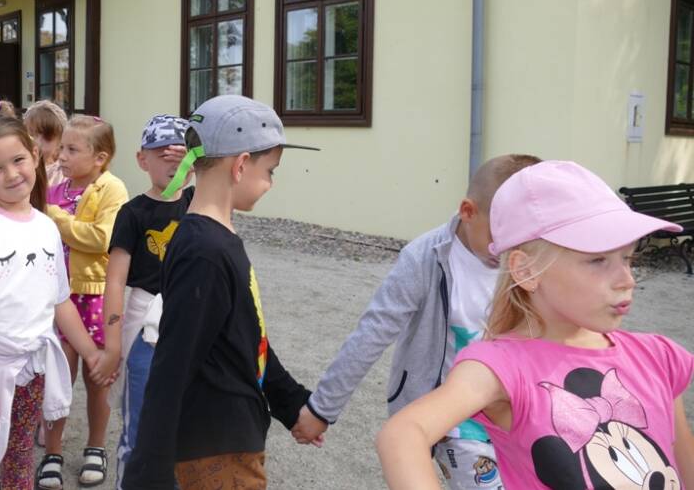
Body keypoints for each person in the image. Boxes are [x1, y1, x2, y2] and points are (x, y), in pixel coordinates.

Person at [376, 160, 694, 488]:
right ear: (526, 271)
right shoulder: (501, 366)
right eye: (598, 260)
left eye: (627, 258)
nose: (626, 279)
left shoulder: (659, 356)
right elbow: (404, 434)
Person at [292, 154, 541, 488]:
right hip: (458, 422)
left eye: (525, 237)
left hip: (518, 412)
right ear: (468, 212)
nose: (511, 248)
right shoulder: (424, 259)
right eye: (501, 234)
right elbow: (372, 333)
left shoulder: (531, 261)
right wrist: (321, 409)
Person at [122, 95, 317, 490]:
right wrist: (148, 474)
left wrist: (291, 402)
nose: (271, 183)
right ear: (241, 165)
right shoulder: (204, 252)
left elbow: (247, 336)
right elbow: (172, 368)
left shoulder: (214, 239)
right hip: (217, 449)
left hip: (230, 437)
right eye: (270, 171)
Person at [0, 114, 112, 489]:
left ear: (34, 155)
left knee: (19, 458)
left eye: (18, 160)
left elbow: (60, 302)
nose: (12, 174)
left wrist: (90, 352)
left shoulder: (47, 226)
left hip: (33, 371)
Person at [95, 114, 192, 489]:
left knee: (186, 425)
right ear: (142, 159)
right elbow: (115, 280)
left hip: (189, 324)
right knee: (141, 426)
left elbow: (224, 180)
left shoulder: (199, 204)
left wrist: (195, 160)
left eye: (181, 153)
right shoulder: (133, 213)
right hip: (144, 325)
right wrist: (113, 344)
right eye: (162, 153)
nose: (173, 161)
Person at [39, 115, 128, 489]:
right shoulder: (55, 188)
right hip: (55, 297)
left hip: (94, 296)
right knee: (57, 378)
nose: (61, 156)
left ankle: (95, 446)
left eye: (72, 150)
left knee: (97, 379)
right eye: (61, 148)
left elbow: (101, 238)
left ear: (100, 157)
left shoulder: (112, 189)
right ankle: (52, 451)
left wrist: (55, 218)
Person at [24, 100, 68, 191]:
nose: (37, 142)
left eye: (47, 138)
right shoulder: (21, 167)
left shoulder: (63, 173)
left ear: (60, 141)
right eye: (31, 135)